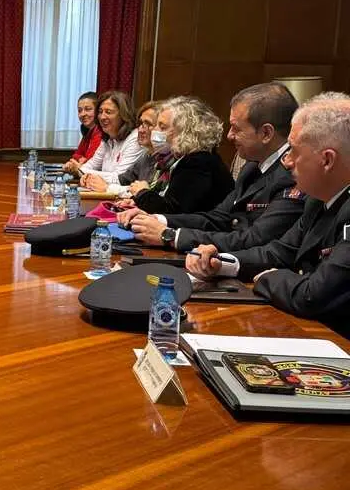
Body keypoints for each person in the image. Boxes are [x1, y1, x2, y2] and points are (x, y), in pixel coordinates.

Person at [186, 94, 350, 338]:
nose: (286, 161)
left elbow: (311, 295)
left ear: (326, 160)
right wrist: (221, 263)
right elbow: (278, 252)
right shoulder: (318, 200)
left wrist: (269, 278)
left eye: (293, 150)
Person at [120, 83, 304, 251]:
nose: (229, 136)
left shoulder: (292, 175)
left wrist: (170, 235)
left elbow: (255, 239)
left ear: (266, 133)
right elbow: (217, 218)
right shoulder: (251, 168)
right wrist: (158, 220)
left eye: (236, 128)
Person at [113, 96, 234, 215]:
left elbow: (173, 211)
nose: (155, 131)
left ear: (185, 132)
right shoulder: (178, 159)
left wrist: (142, 193)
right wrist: (137, 202)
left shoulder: (198, 163)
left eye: (162, 127)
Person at [80, 101, 170, 197]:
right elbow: (122, 180)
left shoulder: (167, 160)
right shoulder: (146, 157)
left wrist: (108, 188)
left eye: (147, 124)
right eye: (140, 123)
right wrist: (91, 178)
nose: (140, 129)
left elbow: (151, 194)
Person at [79, 91, 145, 186]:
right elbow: (86, 167)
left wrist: (88, 174)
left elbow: (119, 178)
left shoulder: (135, 139)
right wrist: (85, 173)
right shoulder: (108, 139)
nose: (102, 117)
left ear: (123, 115)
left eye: (108, 112)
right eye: (100, 112)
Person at [63, 92, 101, 173]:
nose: (82, 114)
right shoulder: (87, 131)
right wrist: (80, 159)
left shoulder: (101, 132)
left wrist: (80, 160)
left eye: (88, 109)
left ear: (98, 111)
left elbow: (89, 162)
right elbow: (75, 156)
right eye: (80, 110)